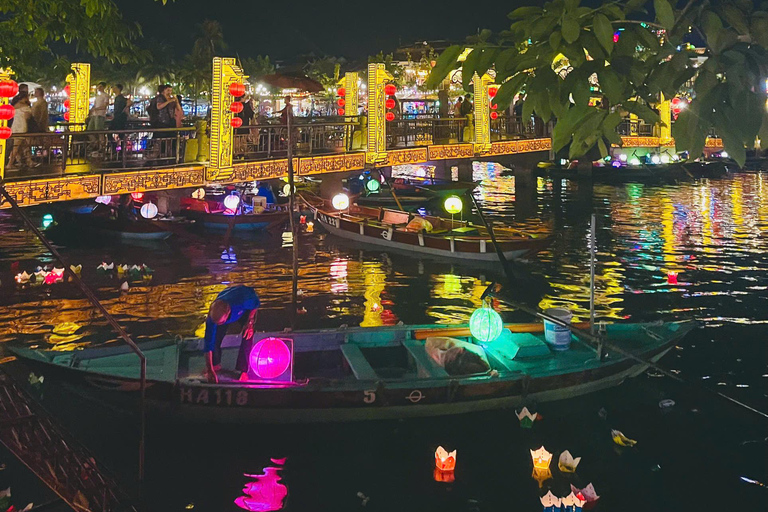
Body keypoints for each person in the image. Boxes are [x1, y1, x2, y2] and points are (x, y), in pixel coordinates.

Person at [203, 285, 261, 383]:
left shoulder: (242, 300)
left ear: (228, 312)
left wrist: (249, 322)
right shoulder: (212, 318)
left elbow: (256, 303)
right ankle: (215, 364)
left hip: (245, 309)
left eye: (220, 322)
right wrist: (209, 368)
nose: (217, 324)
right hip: (224, 308)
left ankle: (242, 370)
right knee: (215, 334)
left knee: (247, 334)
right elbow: (208, 343)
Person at [7, 92, 36, 169]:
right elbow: (27, 117)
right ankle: (10, 164)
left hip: (15, 126)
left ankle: (28, 161)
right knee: (16, 147)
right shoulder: (25, 107)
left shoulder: (15, 106)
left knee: (24, 145)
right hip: (22, 127)